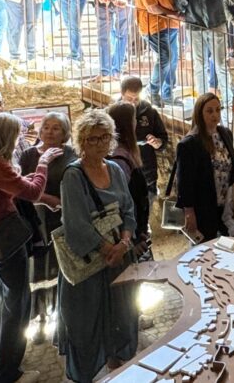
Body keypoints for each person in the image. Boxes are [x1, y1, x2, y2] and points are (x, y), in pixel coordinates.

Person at [0, 113, 63, 383]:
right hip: (7, 241)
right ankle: (8, 374)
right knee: (18, 305)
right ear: (6, 137)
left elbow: (6, 188)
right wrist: (43, 163)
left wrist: (27, 177)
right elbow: (32, 193)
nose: (19, 140)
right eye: (16, 136)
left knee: (4, 300)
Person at [55, 110, 138, 383]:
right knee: (86, 324)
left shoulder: (114, 169)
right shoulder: (73, 175)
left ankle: (118, 367)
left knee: (121, 315)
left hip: (119, 258)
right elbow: (76, 224)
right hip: (90, 264)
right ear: (82, 142)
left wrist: (124, 243)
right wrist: (108, 249)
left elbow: (128, 209)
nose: (100, 143)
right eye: (93, 139)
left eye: (105, 137)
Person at [17, 112, 78, 343]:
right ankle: (40, 319)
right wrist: (46, 198)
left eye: (56, 128)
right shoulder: (28, 155)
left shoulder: (71, 154)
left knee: (62, 267)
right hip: (36, 221)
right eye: (46, 127)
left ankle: (63, 318)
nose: (50, 132)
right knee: (38, 269)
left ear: (65, 133)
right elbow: (21, 186)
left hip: (62, 219)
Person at [176, 93, 234, 242]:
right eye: (209, 111)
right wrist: (189, 211)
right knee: (204, 248)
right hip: (203, 206)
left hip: (226, 204)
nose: (215, 115)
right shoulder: (189, 143)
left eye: (218, 110)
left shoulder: (225, 133)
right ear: (200, 113)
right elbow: (185, 182)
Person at [178, 0, 231, 105]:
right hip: (193, 24)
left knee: (220, 64)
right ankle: (202, 102)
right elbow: (179, 4)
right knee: (199, 65)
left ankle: (229, 102)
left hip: (215, 22)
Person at [134, 0, 183, 106]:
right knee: (165, 58)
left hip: (172, 23)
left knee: (173, 59)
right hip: (154, 25)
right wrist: (175, 14)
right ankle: (152, 91)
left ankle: (167, 94)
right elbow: (152, 7)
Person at [106, 101, 151, 251]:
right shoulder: (119, 158)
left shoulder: (126, 151)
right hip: (131, 234)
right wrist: (132, 238)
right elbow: (122, 201)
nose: (136, 122)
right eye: (133, 119)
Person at [119, 76, 169, 197]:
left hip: (147, 174)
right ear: (122, 94)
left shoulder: (149, 111)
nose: (133, 102)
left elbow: (163, 139)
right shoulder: (113, 112)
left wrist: (158, 143)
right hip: (121, 174)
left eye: (136, 99)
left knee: (148, 205)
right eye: (129, 98)